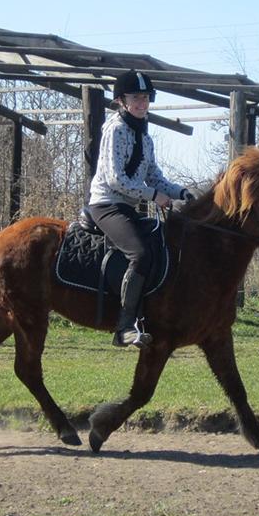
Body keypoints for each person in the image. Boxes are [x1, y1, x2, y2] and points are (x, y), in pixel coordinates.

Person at [88, 69, 194, 348]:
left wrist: (181, 192)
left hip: (128, 207)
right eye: (136, 98)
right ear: (122, 100)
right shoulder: (115, 129)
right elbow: (116, 179)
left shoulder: (145, 137)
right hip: (106, 205)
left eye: (146, 97)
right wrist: (154, 196)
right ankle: (124, 326)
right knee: (141, 253)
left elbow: (154, 176)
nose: (142, 103)